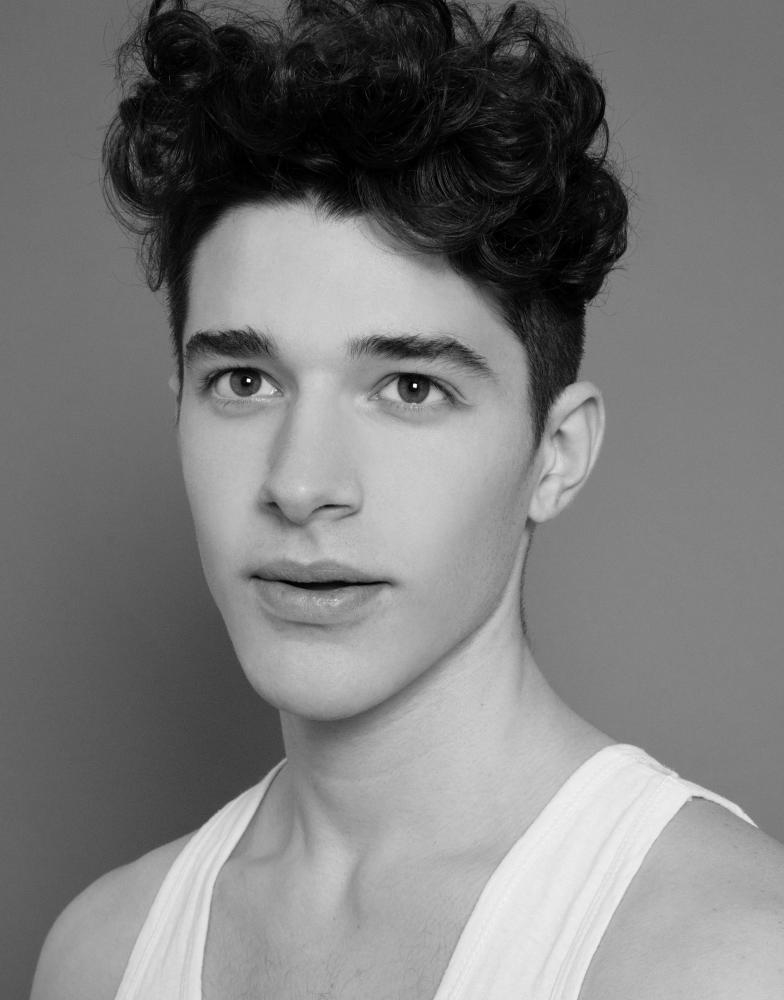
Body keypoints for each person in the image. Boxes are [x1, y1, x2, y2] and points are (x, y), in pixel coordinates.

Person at [31, 0, 784, 997]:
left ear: (556, 455)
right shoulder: (100, 954)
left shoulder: (726, 957)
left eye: (411, 388)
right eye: (244, 382)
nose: (301, 485)